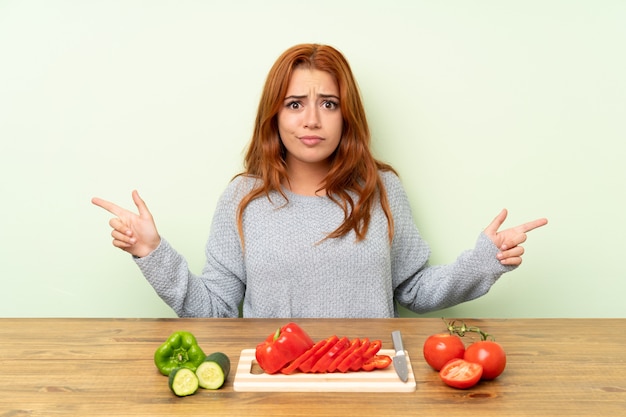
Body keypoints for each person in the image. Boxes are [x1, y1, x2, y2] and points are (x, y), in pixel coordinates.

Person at [92, 43, 547, 318]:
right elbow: (214, 309)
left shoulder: (382, 189)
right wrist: (151, 251)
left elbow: (413, 290)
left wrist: (485, 260)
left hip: (371, 378)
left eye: (328, 103)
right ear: (274, 114)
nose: (312, 120)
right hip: (274, 382)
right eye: (295, 104)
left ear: (347, 115)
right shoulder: (242, 198)